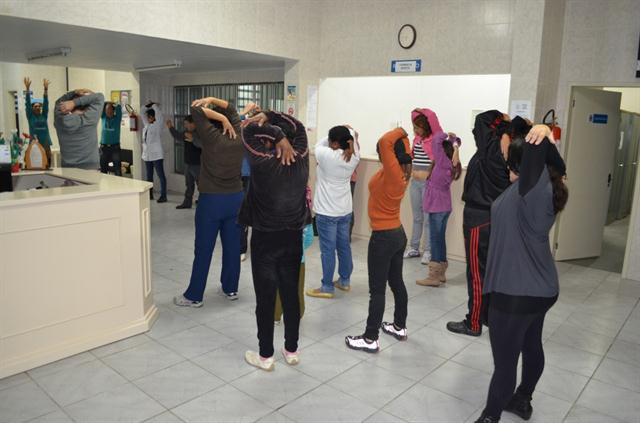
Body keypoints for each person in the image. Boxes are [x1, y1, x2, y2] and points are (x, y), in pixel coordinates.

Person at [473, 133, 568, 423]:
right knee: (531, 344)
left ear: (525, 164)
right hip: (540, 288)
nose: (505, 165)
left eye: (510, 161)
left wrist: (541, 130)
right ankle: (522, 399)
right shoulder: (546, 186)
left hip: (515, 292)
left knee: (504, 363)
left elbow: (536, 152)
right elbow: (551, 161)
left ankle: (490, 417)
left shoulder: (532, 188)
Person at [447, 112, 550, 337]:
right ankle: (490, 317)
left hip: (479, 218)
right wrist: (511, 126)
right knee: (493, 271)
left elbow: (481, 120)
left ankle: (473, 322)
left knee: (476, 272)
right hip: (498, 218)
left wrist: (502, 120)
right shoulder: (517, 150)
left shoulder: (493, 146)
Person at [240, 109, 310, 371]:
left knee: (266, 299)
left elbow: (247, 131)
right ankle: (291, 350)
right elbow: (297, 124)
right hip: (292, 238)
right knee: (290, 295)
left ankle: (266, 356)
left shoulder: (262, 161)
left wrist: (274, 132)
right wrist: (273, 118)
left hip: (265, 240)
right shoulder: (302, 157)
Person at [345, 127, 412, 353]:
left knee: (378, 290)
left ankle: (370, 337)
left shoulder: (393, 173)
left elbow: (385, 141)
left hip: (384, 237)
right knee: (396, 282)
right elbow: (395, 148)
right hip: (396, 234)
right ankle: (399, 326)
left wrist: (402, 130)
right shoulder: (399, 170)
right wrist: (404, 140)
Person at [173, 96, 244, 306]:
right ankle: (230, 289)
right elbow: (231, 109)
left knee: (203, 250)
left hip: (212, 201)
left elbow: (196, 109)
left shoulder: (211, 138)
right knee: (232, 248)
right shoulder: (239, 135)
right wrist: (215, 101)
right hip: (236, 199)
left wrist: (220, 117)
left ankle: (194, 296)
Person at [306, 125, 360, 299]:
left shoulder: (327, 154)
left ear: (335, 143)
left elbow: (317, 144)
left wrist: (339, 130)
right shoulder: (354, 156)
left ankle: (327, 287)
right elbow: (353, 140)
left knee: (327, 250)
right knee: (343, 246)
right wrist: (349, 135)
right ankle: (344, 281)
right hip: (345, 210)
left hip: (327, 212)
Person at [417, 120, 462, 286]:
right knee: (439, 239)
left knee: (435, 240)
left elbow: (437, 139)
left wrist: (445, 135)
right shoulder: (449, 164)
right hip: (444, 207)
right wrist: (453, 140)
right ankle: (441, 273)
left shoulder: (443, 163)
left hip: (438, 208)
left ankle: (433, 276)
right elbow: (448, 144)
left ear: (442, 152)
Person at [275, 195, 315, 323]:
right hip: (299, 258)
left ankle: (275, 315)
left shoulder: (277, 210)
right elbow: (309, 238)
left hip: (280, 258)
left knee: (278, 288)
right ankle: (298, 313)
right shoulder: (305, 213)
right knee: (298, 288)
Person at [404, 109, 434, 264]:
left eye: (417, 127)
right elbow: (413, 157)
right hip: (415, 183)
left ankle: (428, 251)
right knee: (417, 217)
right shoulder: (416, 140)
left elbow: (437, 161)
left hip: (427, 184)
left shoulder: (433, 140)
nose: (415, 130)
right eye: (414, 127)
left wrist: (428, 175)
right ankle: (414, 247)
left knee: (428, 219)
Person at [54, 89, 104, 170]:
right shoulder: (89, 119)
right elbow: (100, 97)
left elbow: (58, 103)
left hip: (67, 169)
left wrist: (74, 93)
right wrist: (74, 102)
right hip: (90, 169)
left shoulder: (60, 121)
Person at [166, 116, 202, 209]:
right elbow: (178, 136)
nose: (185, 126)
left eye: (186, 123)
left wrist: (193, 139)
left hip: (197, 164)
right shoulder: (187, 132)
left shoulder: (200, 133)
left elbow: (202, 145)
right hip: (187, 163)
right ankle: (187, 202)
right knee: (189, 185)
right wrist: (171, 127)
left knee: (201, 185)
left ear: (192, 123)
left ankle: (204, 202)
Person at [141, 102, 167, 203]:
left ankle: (163, 195)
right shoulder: (147, 125)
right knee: (149, 176)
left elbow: (159, 114)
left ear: (152, 117)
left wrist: (154, 105)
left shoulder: (158, 125)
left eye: (148, 117)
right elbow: (142, 112)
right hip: (147, 155)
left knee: (161, 176)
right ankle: (150, 194)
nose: (146, 118)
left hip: (156, 155)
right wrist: (147, 105)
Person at [23, 77, 52, 167]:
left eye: (39, 106)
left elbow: (46, 103)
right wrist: (27, 89)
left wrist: (46, 89)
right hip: (34, 145)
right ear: (32, 108)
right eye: (35, 106)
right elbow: (27, 103)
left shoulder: (44, 115)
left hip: (46, 144)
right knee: (35, 165)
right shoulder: (30, 117)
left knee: (47, 165)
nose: (38, 107)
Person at [99, 102, 123, 175]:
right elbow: (100, 106)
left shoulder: (117, 118)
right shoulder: (103, 117)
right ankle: (103, 186)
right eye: (106, 109)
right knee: (103, 169)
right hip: (104, 148)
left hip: (115, 148)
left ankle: (118, 185)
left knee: (117, 170)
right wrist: (106, 103)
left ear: (113, 110)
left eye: (109, 109)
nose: (108, 111)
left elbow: (118, 106)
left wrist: (112, 103)